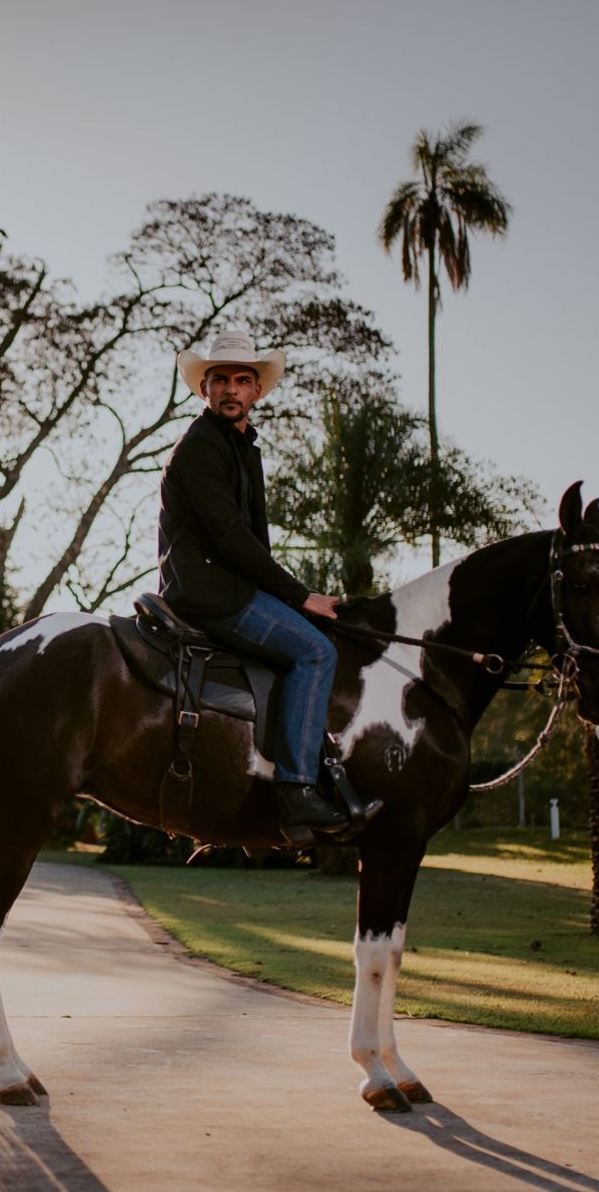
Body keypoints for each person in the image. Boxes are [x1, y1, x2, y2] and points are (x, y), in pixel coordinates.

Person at [157, 331, 352, 838]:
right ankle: (296, 790)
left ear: (256, 391)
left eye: (242, 380)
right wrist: (299, 595)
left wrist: (291, 598)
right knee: (316, 653)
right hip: (209, 590)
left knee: (317, 635)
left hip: (236, 585)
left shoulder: (244, 449)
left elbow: (256, 543)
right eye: (220, 380)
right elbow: (230, 537)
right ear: (204, 389)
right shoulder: (200, 447)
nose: (231, 389)